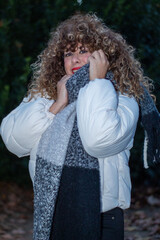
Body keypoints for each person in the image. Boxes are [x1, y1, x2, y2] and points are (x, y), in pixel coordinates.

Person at [0, 13, 153, 240]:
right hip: (53, 213)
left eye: (83, 51)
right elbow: (14, 141)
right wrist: (57, 105)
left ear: (103, 54)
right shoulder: (44, 95)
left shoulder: (122, 95)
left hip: (103, 217)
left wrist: (98, 83)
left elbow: (98, 141)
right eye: (68, 53)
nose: (75, 60)